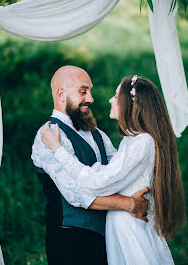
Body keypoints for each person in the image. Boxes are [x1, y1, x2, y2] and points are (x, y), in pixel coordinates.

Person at [41, 75, 186, 265]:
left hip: (130, 229)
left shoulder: (140, 141)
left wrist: (59, 150)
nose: (109, 99)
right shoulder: (131, 140)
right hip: (99, 232)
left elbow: (100, 181)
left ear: (132, 104)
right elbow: (98, 182)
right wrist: (127, 202)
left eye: (116, 96)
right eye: (84, 92)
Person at [31, 66, 149, 265]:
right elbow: (76, 194)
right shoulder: (48, 136)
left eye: (90, 91)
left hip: (107, 237)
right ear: (61, 94)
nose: (91, 99)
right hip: (70, 243)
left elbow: (118, 173)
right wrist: (130, 204)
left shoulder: (97, 134)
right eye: (83, 91)